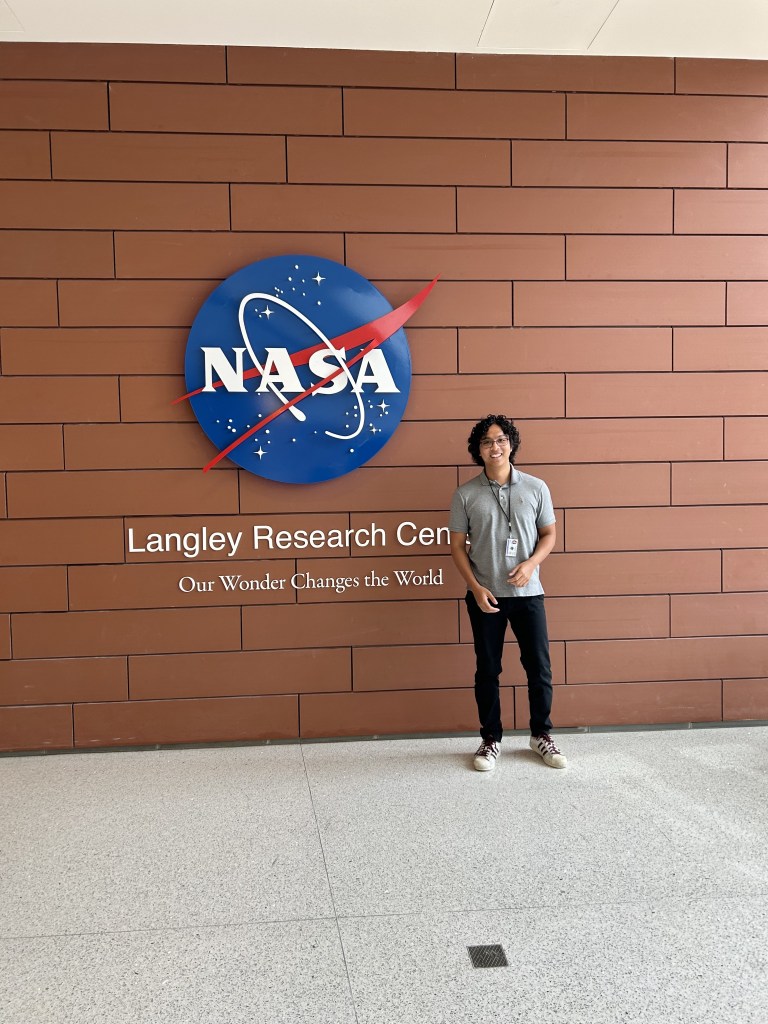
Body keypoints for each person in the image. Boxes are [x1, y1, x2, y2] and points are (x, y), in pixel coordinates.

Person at [449, 414, 567, 771]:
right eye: (486, 442)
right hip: (486, 596)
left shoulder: (536, 487)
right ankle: (490, 738)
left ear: (511, 444)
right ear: (478, 450)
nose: (494, 447)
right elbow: (457, 547)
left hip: (529, 594)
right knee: (487, 670)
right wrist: (475, 588)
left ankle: (541, 734)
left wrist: (531, 564)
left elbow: (549, 535)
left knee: (539, 668)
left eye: (500, 439)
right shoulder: (465, 494)